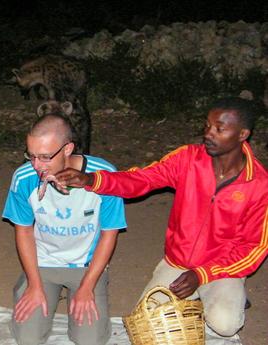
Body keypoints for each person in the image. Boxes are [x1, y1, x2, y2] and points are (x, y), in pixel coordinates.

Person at [55, 97, 268, 339]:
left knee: (225, 323)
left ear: (242, 134)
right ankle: (201, 298)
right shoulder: (188, 159)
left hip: (220, 269)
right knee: (147, 322)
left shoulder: (259, 185)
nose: (208, 134)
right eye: (207, 126)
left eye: (220, 129)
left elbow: (254, 248)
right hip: (178, 262)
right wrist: (91, 180)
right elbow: (143, 179)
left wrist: (202, 275)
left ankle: (229, 293)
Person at [2, 114, 127, 345]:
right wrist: (34, 284)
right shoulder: (24, 178)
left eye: (45, 157)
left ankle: (92, 303)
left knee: (90, 340)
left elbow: (110, 234)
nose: (37, 165)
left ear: (67, 148)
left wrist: (87, 287)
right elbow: (24, 231)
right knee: (27, 337)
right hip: (42, 263)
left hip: (85, 265)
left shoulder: (103, 176)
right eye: (31, 156)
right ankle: (37, 291)